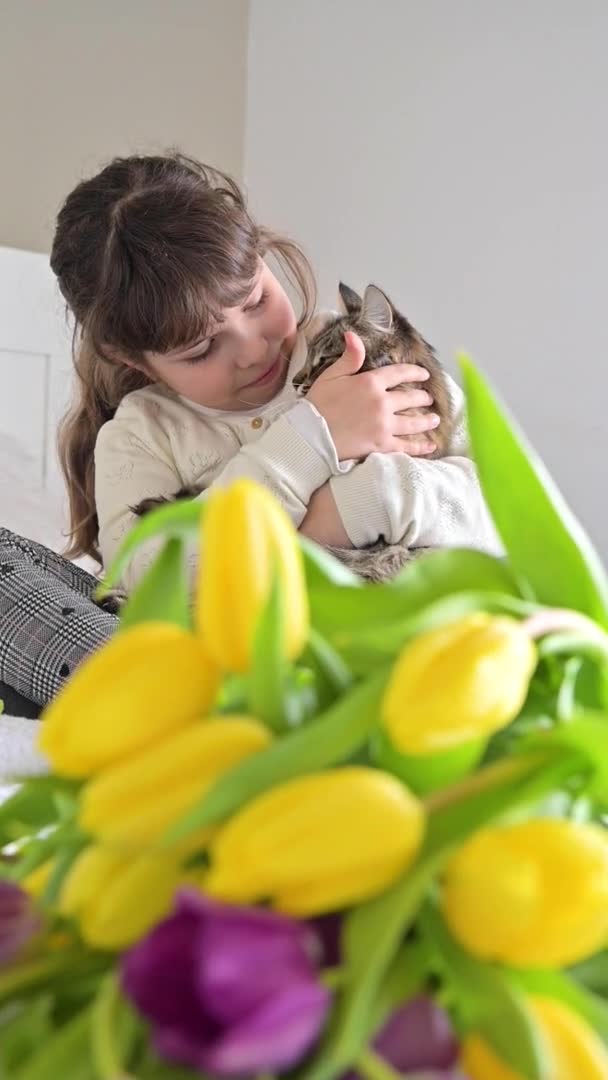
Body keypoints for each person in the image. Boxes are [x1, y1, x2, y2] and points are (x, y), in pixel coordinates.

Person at [51, 152, 498, 592]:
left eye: (256, 301)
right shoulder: (144, 436)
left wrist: (375, 497)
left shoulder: (365, 348)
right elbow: (153, 584)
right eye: (202, 349)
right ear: (132, 360)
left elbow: (511, 514)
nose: (252, 351)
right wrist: (311, 444)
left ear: (262, 255)